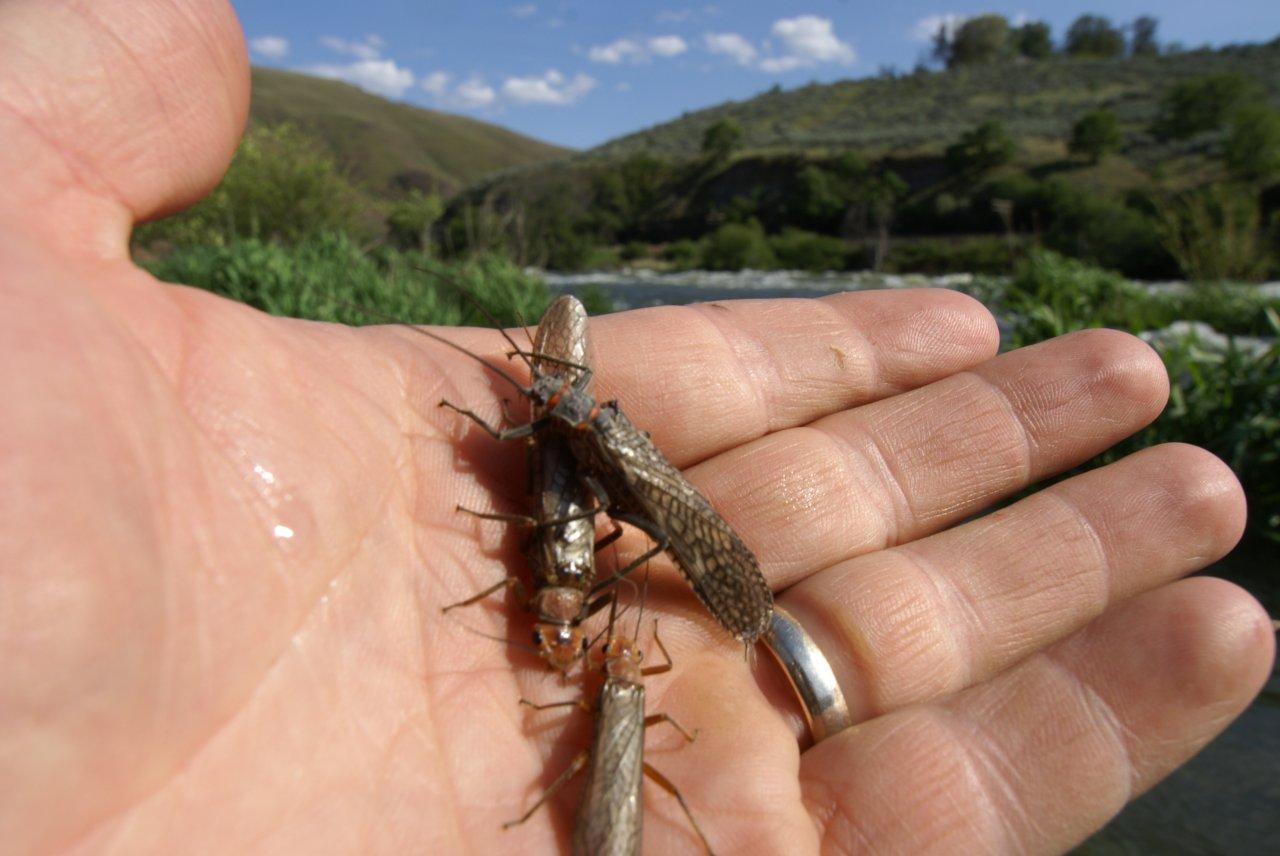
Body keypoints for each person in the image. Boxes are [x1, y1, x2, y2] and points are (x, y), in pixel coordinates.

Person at [0, 1, 1271, 853]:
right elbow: (561, 465)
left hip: (631, 495)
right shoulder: (563, 440)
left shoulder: (577, 435)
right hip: (606, 504)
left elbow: (597, 474)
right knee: (591, 481)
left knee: (617, 482)